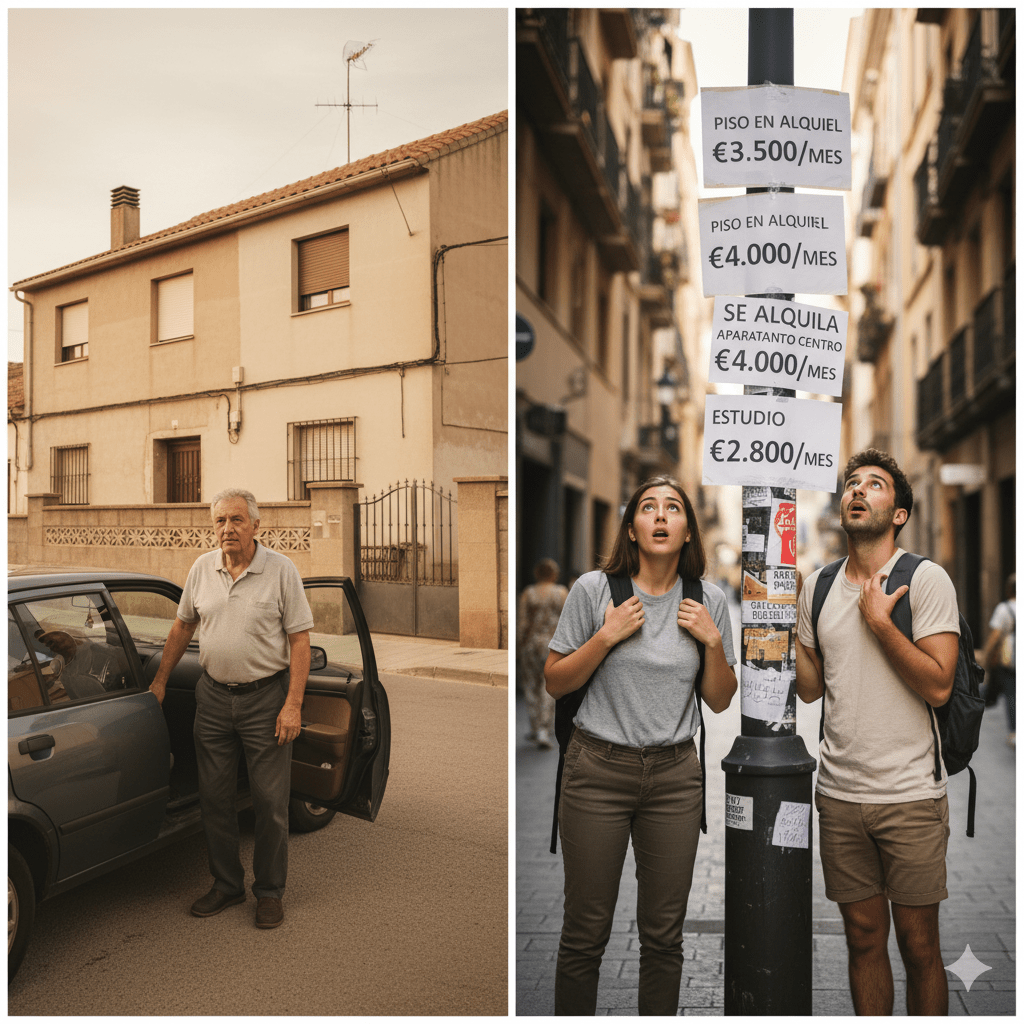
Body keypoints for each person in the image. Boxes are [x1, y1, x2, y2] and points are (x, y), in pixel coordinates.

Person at [544, 476, 737, 1015]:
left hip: (675, 779)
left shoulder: (708, 600)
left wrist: (714, 643)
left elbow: (720, 701)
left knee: (663, 937)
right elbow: (555, 681)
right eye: (647, 508)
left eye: (672, 508)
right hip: (596, 772)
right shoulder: (593, 591)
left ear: (686, 531)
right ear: (631, 528)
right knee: (585, 934)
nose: (659, 516)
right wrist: (604, 637)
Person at [795, 449, 959, 1015]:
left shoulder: (925, 580)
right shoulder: (815, 587)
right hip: (839, 795)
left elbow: (938, 685)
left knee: (919, 947)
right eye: (851, 484)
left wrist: (881, 625)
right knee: (863, 941)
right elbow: (812, 689)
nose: (857, 491)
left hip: (910, 794)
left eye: (875, 485)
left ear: (899, 514)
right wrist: (781, 621)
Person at [149, 487, 314, 929]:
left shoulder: (282, 570)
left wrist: (293, 705)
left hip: (266, 701)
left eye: (237, 520)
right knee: (215, 799)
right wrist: (161, 681)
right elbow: (182, 627)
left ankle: (269, 892)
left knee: (270, 803)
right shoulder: (202, 568)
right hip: (214, 698)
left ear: (256, 526)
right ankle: (226, 885)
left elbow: (300, 641)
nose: (227, 529)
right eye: (220, 521)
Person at [518, 558, 568, 749]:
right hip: (554, 645)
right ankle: (544, 730)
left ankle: (535, 725)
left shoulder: (529, 593)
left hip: (531, 644)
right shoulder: (561, 592)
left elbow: (523, 623)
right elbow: (568, 621)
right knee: (550, 686)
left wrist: (519, 646)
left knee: (531, 685)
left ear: (537, 574)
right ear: (554, 574)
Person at [983, 573, 1016, 747]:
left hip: (1010, 658)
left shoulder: (1004, 609)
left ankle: (1014, 732)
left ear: (1009, 589)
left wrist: (987, 658)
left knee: (1011, 695)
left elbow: (995, 636)